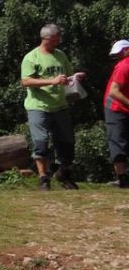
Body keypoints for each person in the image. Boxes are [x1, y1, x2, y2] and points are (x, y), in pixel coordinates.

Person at [20, 24, 86, 191]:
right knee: (41, 142)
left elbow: (67, 76)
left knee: (67, 142)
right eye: (55, 39)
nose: (58, 42)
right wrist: (52, 81)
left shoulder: (60, 55)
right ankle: (43, 178)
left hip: (60, 106)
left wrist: (74, 77)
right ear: (46, 39)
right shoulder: (31, 57)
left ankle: (63, 174)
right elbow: (25, 81)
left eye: (58, 39)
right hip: (38, 106)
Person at [103, 39, 129, 189]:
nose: (117, 57)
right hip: (115, 108)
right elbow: (114, 92)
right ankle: (122, 178)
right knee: (118, 142)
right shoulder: (124, 66)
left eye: (119, 53)